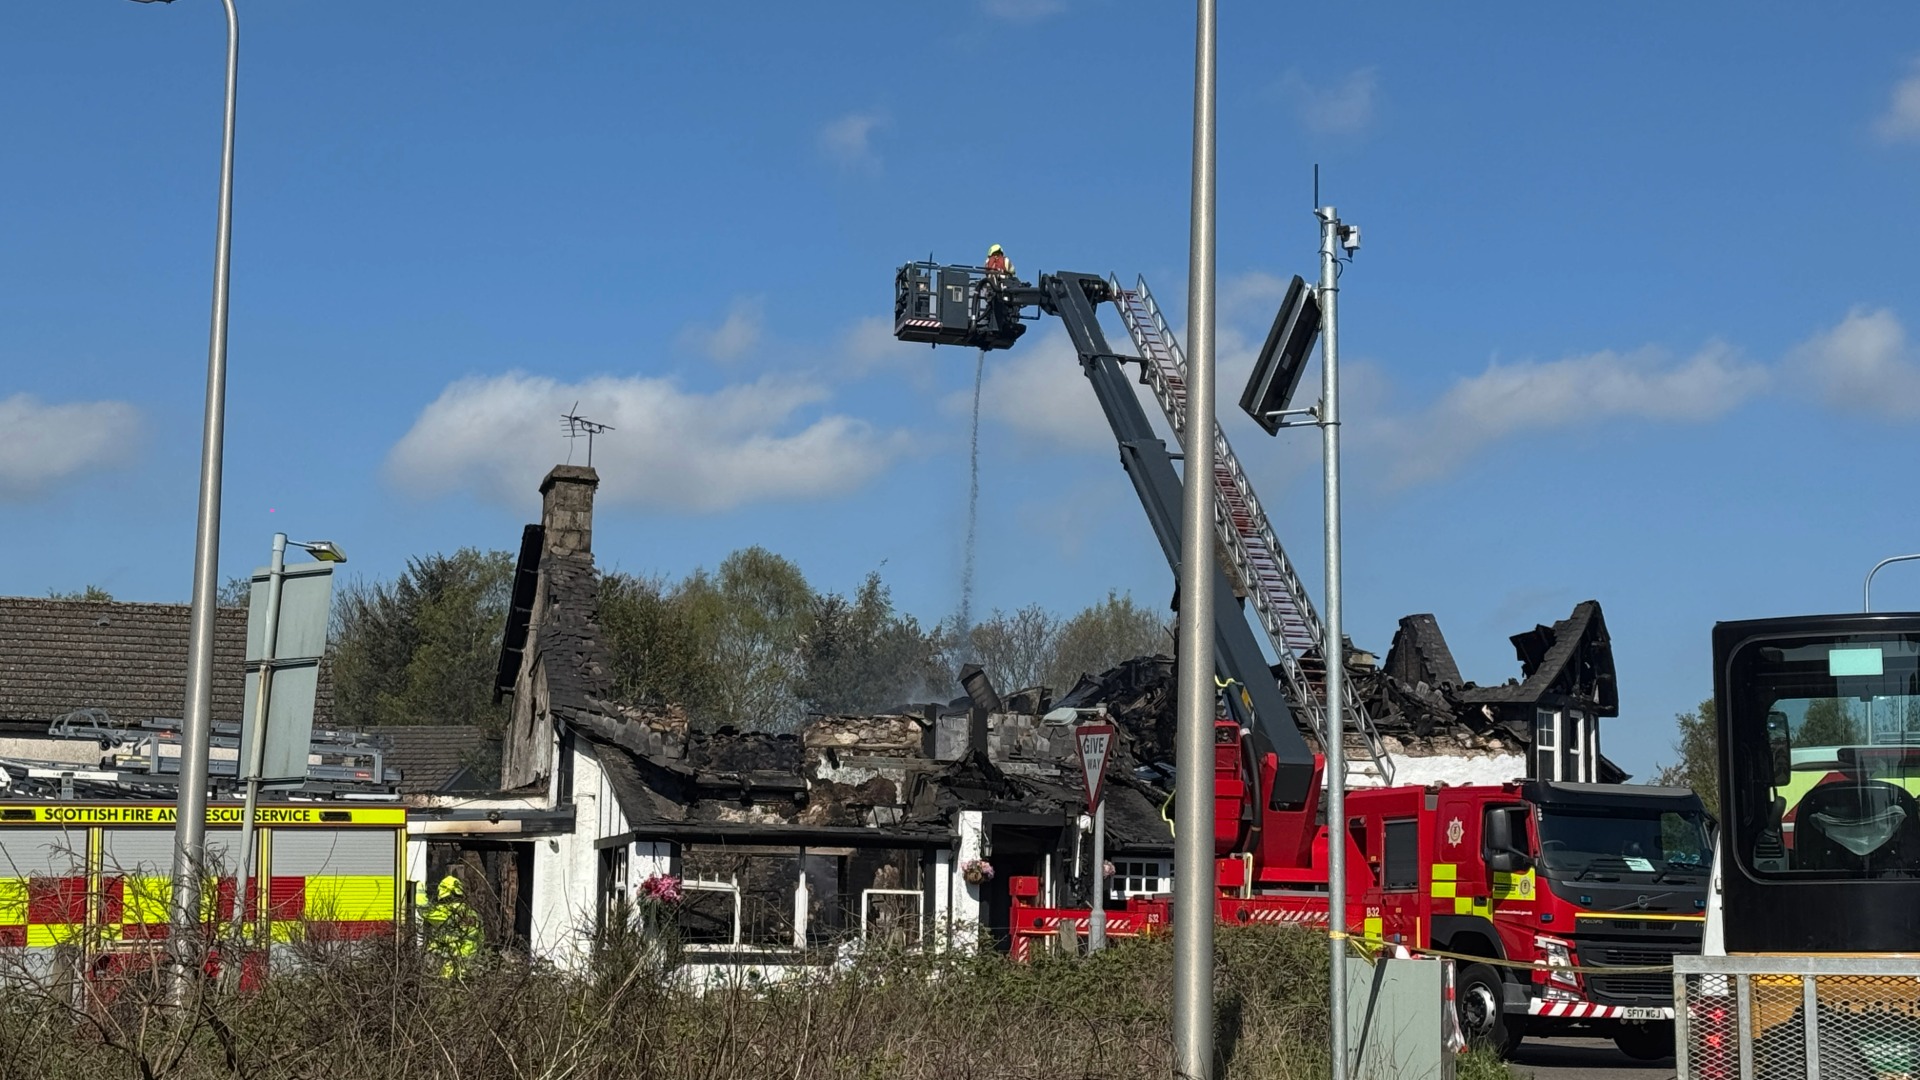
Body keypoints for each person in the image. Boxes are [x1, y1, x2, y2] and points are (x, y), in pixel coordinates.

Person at [418, 872, 480, 978]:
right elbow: (480, 938)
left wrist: (418, 886)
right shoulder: (472, 913)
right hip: (468, 966)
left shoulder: (446, 911)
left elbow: (423, 910)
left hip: (449, 969)